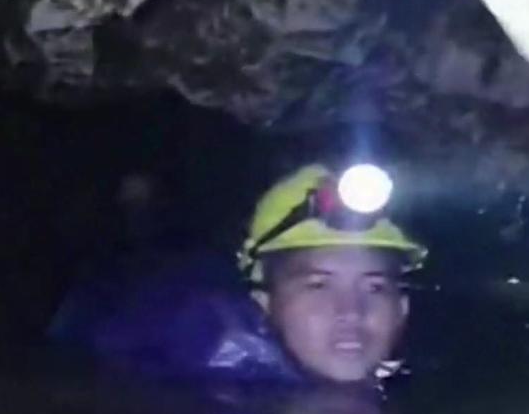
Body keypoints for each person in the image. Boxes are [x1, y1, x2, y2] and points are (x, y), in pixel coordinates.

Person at [49, 163, 427, 385]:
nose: (351, 312)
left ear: (403, 308)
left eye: (375, 287)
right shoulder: (205, 354)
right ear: (264, 302)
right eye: (318, 284)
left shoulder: (415, 372)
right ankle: (139, 211)